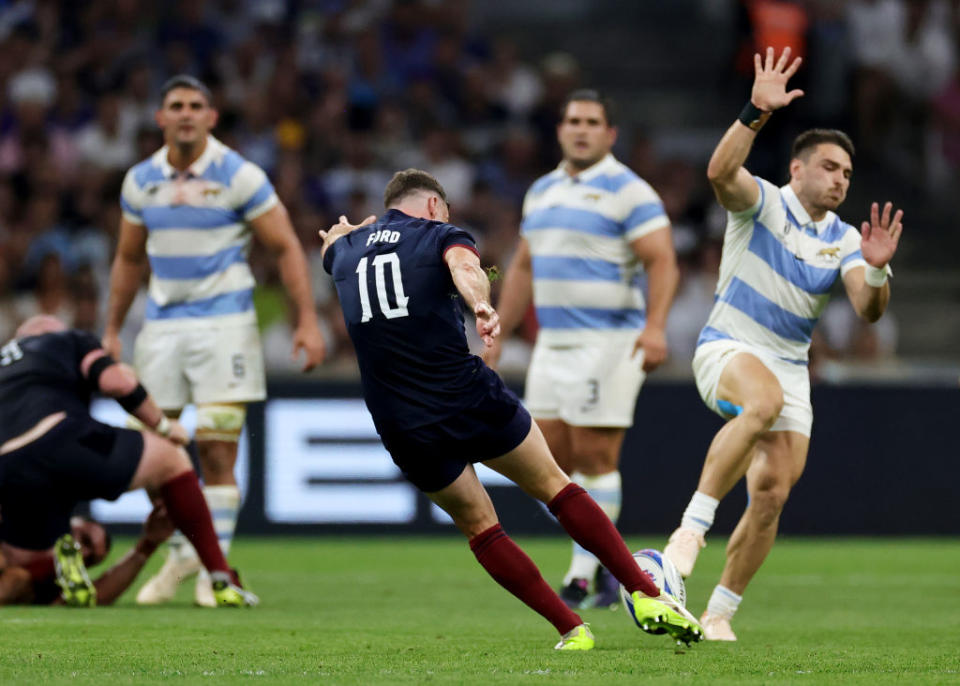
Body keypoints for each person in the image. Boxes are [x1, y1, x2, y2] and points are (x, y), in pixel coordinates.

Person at [320, 168, 701, 650]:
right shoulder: (441, 233)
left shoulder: (343, 253)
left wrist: (340, 235)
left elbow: (331, 246)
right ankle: (647, 594)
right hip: (465, 395)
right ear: (435, 205)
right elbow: (464, 268)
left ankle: (572, 628)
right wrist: (480, 304)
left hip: (400, 420)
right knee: (556, 485)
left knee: (481, 528)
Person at [663, 47, 903, 641]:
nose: (839, 179)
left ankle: (719, 613)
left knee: (771, 495)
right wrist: (754, 112)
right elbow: (720, 174)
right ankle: (689, 531)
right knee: (761, 403)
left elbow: (869, 311)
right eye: (828, 167)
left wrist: (874, 271)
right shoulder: (764, 204)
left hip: (791, 367)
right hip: (728, 347)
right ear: (797, 171)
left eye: (846, 173)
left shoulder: (849, 239)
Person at [102, 75, 326, 606]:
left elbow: (287, 246)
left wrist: (307, 321)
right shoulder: (140, 181)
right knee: (158, 457)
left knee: (216, 449)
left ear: (211, 116)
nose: (185, 114)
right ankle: (186, 553)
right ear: (160, 117)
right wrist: (111, 329)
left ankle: (213, 573)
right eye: (175, 105)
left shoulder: (239, 175)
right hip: (160, 328)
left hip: (224, 324)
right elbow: (129, 258)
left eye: (195, 106)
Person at [483, 90, 679, 608]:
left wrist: (655, 326)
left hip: (609, 339)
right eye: (573, 120)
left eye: (593, 121)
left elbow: (662, 260)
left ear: (610, 134)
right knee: (546, 460)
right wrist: (498, 326)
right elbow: (522, 264)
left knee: (594, 454)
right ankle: (605, 567)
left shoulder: (629, 191)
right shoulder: (542, 191)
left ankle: (584, 576)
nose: (581, 129)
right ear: (560, 130)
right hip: (553, 342)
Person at [0, 315, 258, 607]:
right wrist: (163, 426)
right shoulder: (69, 340)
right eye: (87, 543)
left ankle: (60, 566)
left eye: (88, 551)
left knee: (27, 562)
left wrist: (145, 547)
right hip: (54, 435)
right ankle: (220, 578)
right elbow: (116, 382)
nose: (87, 552)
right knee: (171, 458)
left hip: (10, 471)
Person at [0, 505, 174, 606]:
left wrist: (148, 546)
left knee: (18, 578)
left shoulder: (49, 583)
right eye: (84, 540)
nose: (82, 552)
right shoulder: (20, 514)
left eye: (89, 559)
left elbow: (97, 596)